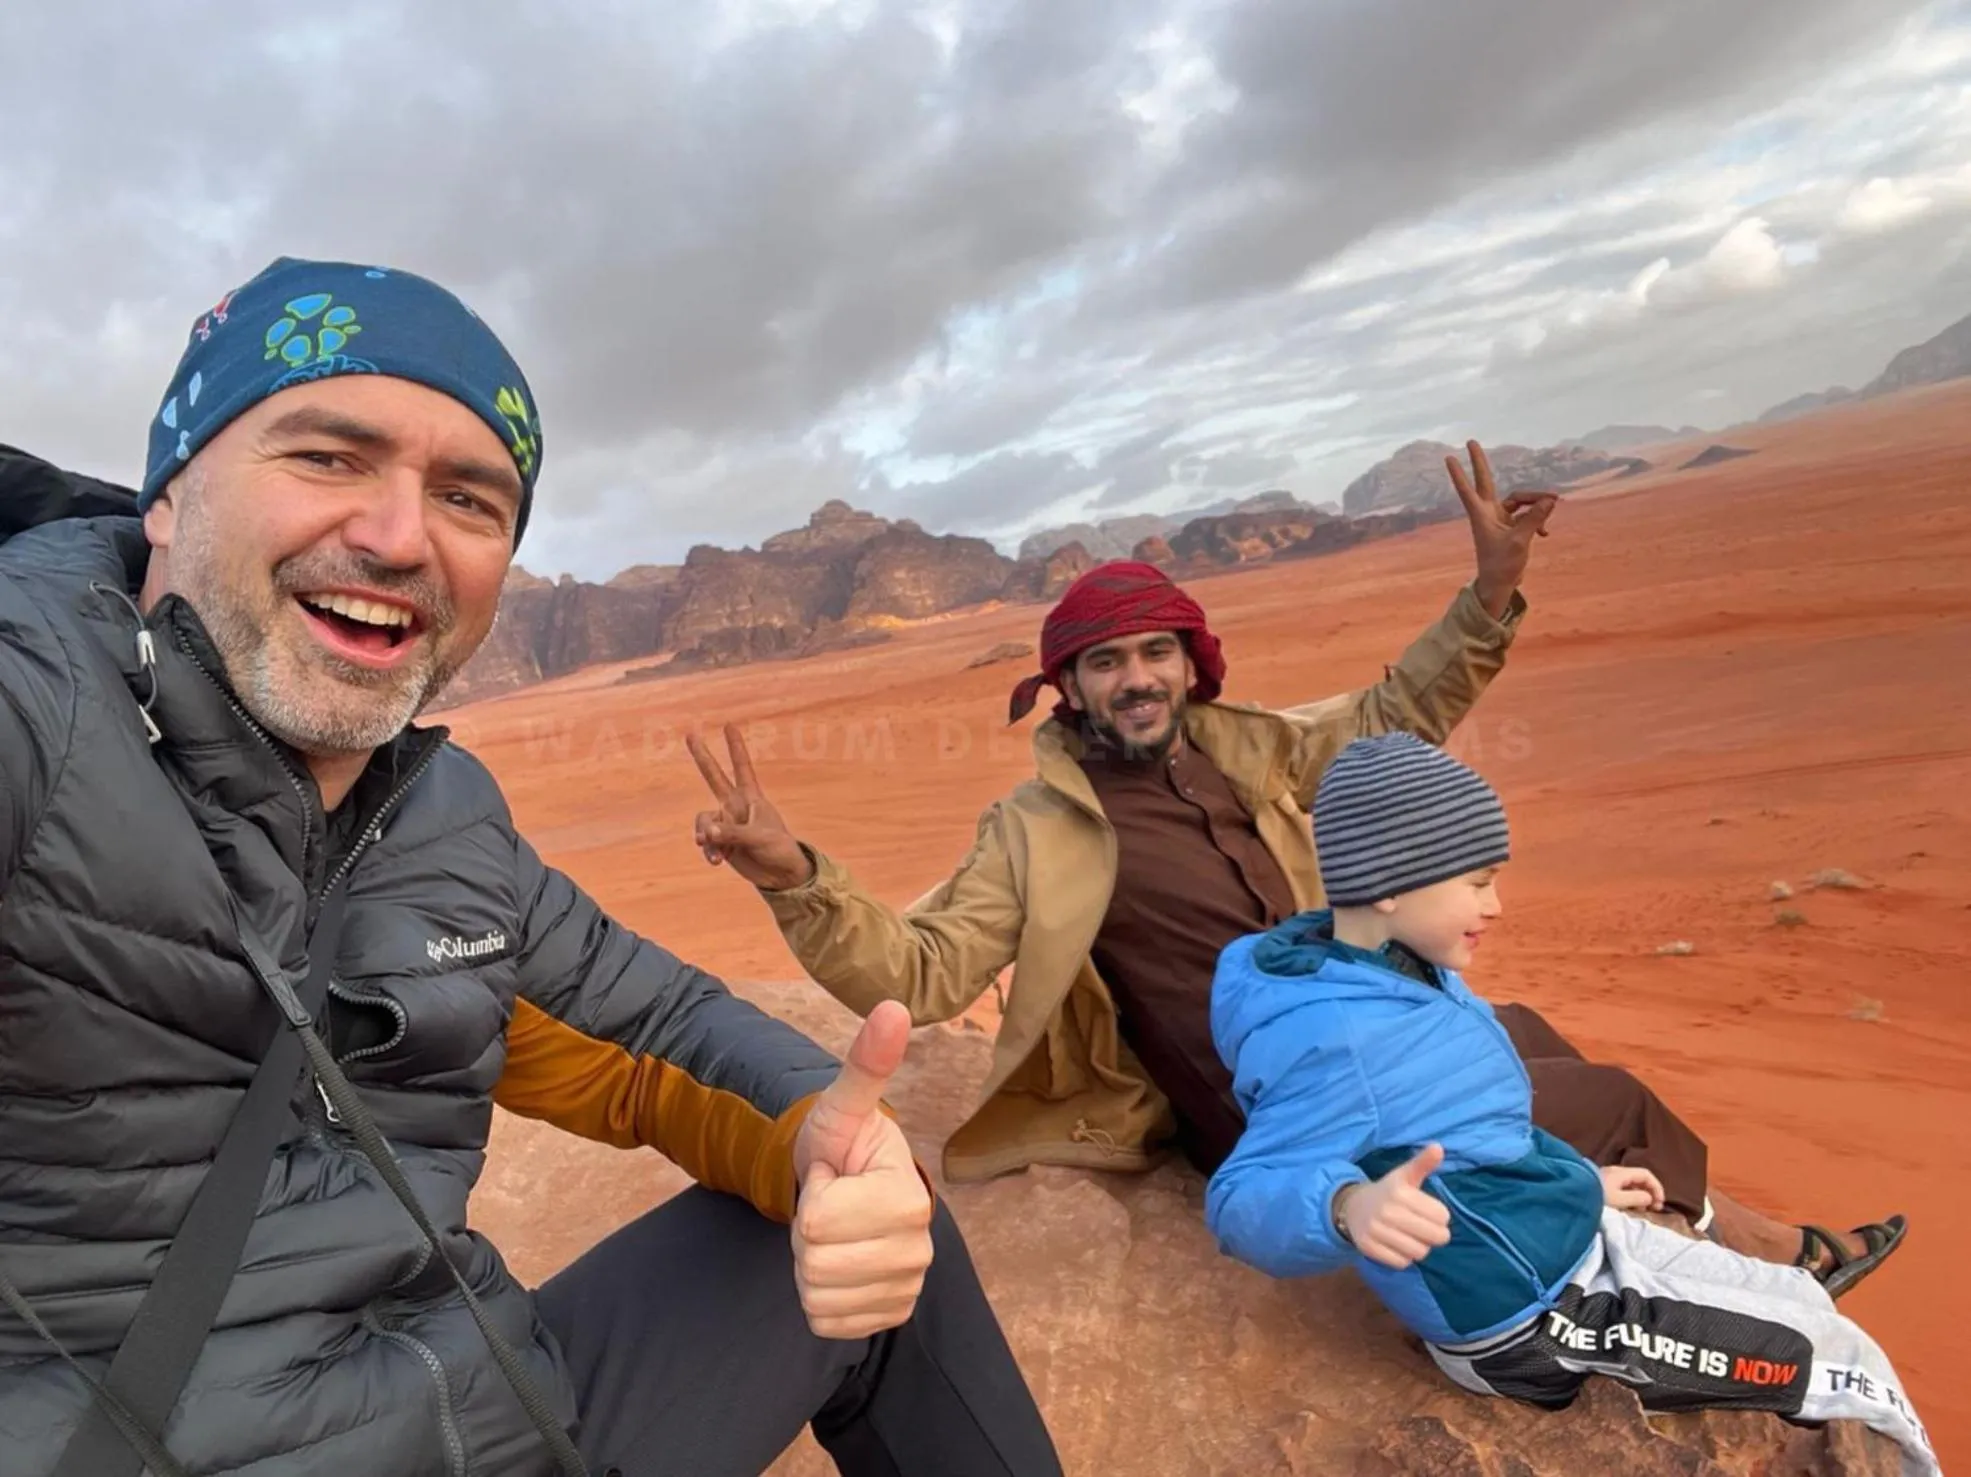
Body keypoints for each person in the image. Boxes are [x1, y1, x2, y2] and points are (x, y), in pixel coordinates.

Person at [0, 258, 1063, 1477]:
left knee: (885, 1239)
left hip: (490, 1425)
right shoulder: (37, 709)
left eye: (469, 498)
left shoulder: (440, 813)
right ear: (171, 494)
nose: (398, 537)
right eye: (328, 457)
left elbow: (657, 1032)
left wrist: (828, 1145)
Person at [686, 475, 1904, 1294]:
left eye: (1154, 652)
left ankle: (1653, 1232)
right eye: (1105, 663)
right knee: (1610, 1100)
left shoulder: (1243, 747)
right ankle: (1777, 1263)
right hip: (1279, 1108)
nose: (1136, 679)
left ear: (1189, 663)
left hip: (1370, 1030)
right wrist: (792, 874)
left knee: (1529, 1034)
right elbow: (919, 970)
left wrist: (1488, 594)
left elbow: (1391, 717)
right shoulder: (1037, 828)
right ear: (1069, 687)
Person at [1202, 733, 1936, 1476]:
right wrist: (1346, 1206)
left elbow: (1477, 1129)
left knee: (1801, 1293)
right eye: (1477, 882)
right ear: (1390, 882)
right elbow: (1241, 1195)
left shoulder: (1402, 970)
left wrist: (1579, 1182)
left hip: (1566, 1242)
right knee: (1847, 1360)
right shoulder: (1337, 1033)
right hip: (1529, 1323)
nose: (1495, 904)